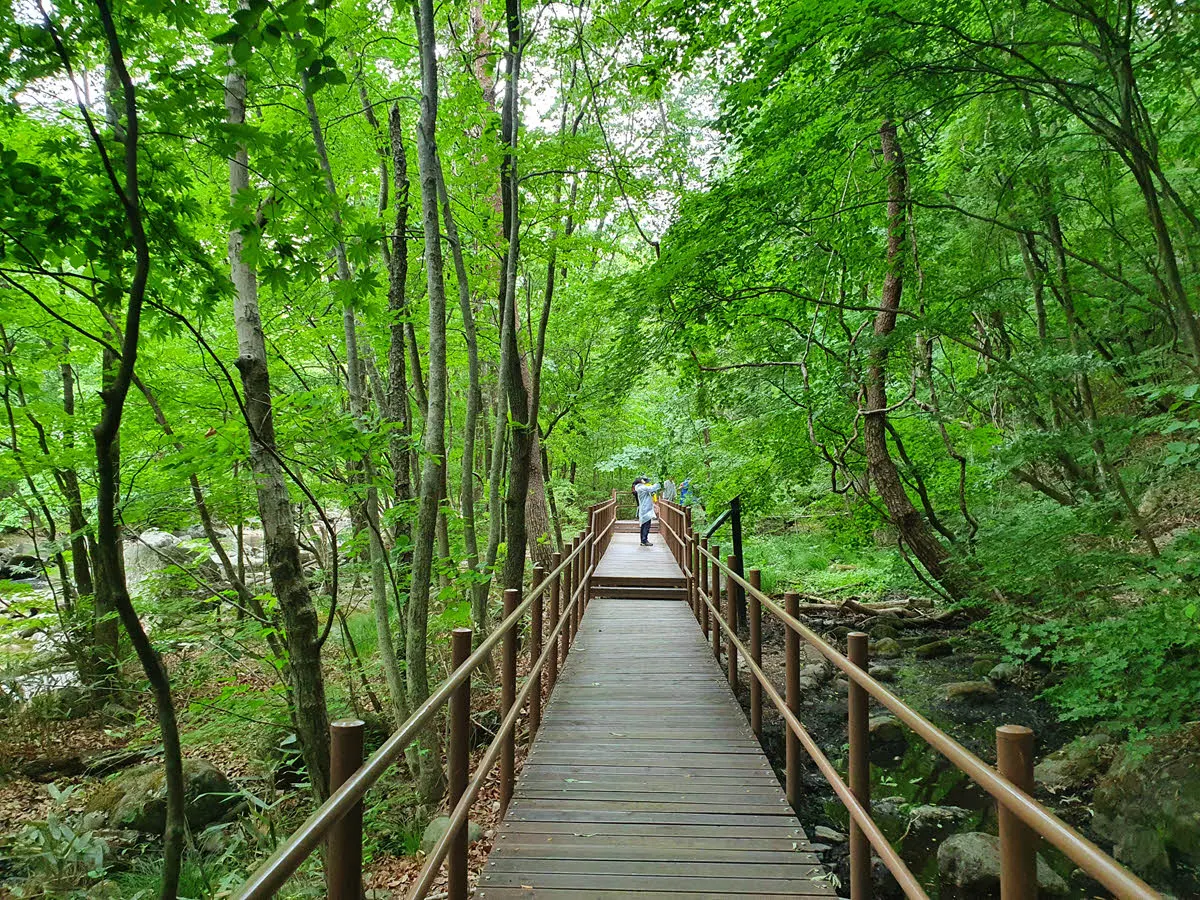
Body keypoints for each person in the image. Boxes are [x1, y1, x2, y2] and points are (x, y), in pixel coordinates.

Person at [632, 476, 660, 547]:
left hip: (645, 508)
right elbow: (652, 488)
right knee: (646, 525)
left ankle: (643, 540)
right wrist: (660, 483)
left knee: (645, 525)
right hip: (645, 509)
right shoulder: (642, 487)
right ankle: (644, 540)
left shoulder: (639, 487)